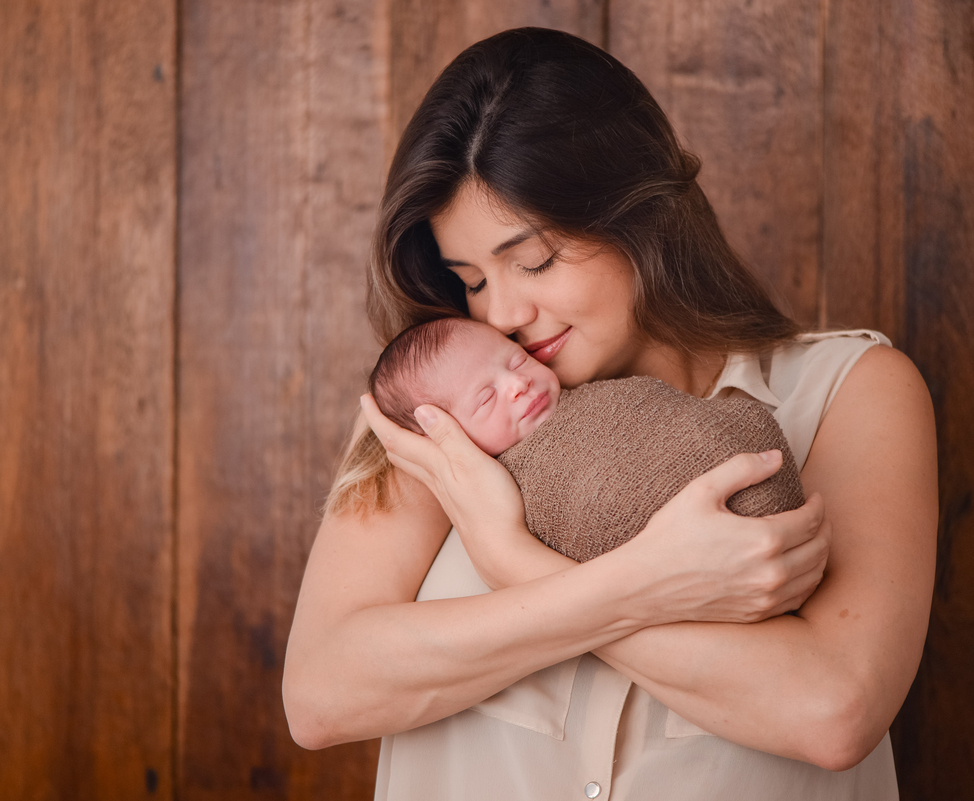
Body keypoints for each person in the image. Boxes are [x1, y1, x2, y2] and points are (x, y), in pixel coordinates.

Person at [282, 27, 937, 801]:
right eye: (472, 280)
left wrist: (514, 560)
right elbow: (321, 693)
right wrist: (644, 584)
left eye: (533, 261)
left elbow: (833, 711)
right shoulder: (448, 410)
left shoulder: (847, 391)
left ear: (637, 210)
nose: (503, 314)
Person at [368, 316, 805, 562]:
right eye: (486, 399)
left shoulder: (593, 394)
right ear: (447, 436)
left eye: (517, 361)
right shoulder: (504, 488)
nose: (518, 384)